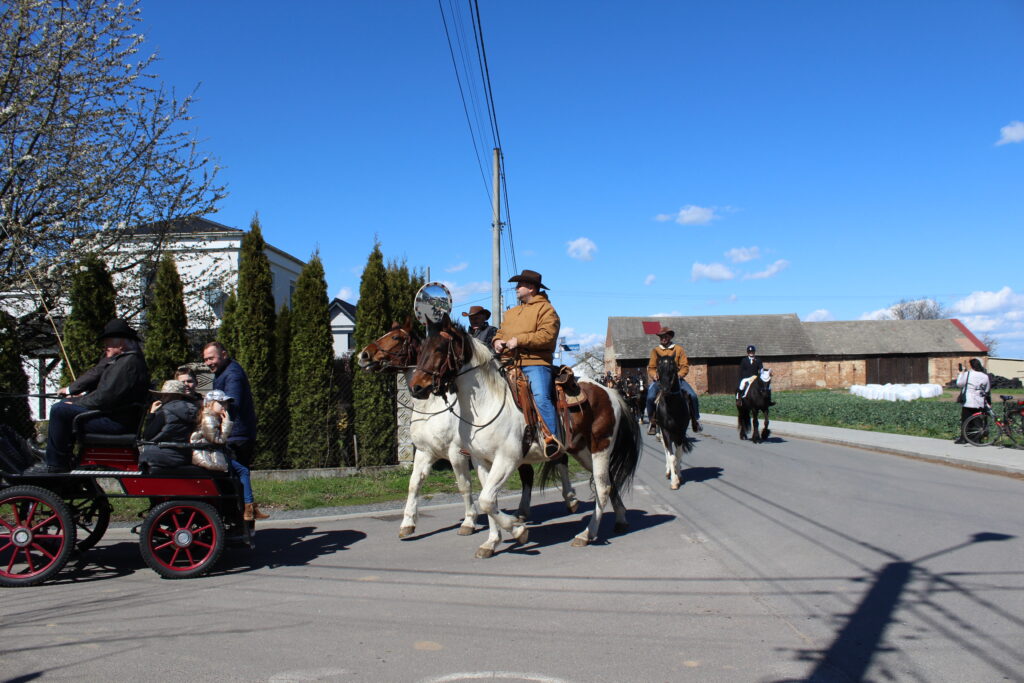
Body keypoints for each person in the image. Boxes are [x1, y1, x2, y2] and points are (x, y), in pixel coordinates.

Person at [26, 319, 150, 473]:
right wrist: (74, 398)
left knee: (60, 410)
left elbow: (105, 397)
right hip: (116, 417)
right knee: (64, 406)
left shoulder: (128, 364)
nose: (105, 345)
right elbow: (101, 384)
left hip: (117, 423)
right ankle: (59, 456)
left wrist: (77, 402)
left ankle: (56, 463)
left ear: (121, 343)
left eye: (108, 341)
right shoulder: (124, 360)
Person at [492, 269, 563, 457]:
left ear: (531, 288)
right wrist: (496, 341)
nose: (516, 288)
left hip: (535, 362)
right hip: (508, 362)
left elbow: (547, 336)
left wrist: (519, 340)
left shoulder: (546, 309)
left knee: (540, 396)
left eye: (520, 285)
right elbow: (500, 332)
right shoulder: (511, 313)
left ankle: (551, 439)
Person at [192, 390, 268, 520]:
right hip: (207, 456)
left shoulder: (212, 417)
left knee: (241, 471)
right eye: (220, 403)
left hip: (212, 453)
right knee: (243, 471)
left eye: (226, 403)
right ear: (210, 403)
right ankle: (249, 508)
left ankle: (248, 507)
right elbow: (218, 440)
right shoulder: (208, 418)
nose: (224, 406)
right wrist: (227, 423)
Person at [201, 341, 257, 468]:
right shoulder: (222, 372)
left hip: (236, 435)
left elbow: (232, 403)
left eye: (211, 358)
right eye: (205, 359)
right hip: (233, 432)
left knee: (239, 471)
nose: (208, 363)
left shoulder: (232, 375)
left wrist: (211, 412)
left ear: (224, 355)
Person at [646, 326, 702, 435]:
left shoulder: (679, 349)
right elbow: (651, 367)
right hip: (660, 380)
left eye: (665, 336)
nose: (663, 338)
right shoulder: (655, 350)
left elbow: (684, 366)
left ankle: (696, 419)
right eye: (661, 336)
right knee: (650, 397)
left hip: (676, 380)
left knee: (693, 396)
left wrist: (679, 375)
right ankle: (652, 422)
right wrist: (654, 375)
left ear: (670, 337)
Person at [139, 380, 200, 469]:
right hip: (188, 455)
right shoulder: (196, 411)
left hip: (163, 454)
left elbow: (147, 435)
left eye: (165, 395)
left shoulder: (165, 412)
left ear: (175, 396)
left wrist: (151, 414)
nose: (162, 398)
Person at [954, 358, 991, 444]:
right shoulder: (985, 376)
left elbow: (959, 384)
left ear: (971, 366)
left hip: (968, 400)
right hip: (979, 401)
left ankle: (964, 438)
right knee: (977, 420)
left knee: (965, 420)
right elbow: (987, 389)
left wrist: (961, 374)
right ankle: (976, 439)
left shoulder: (968, 374)